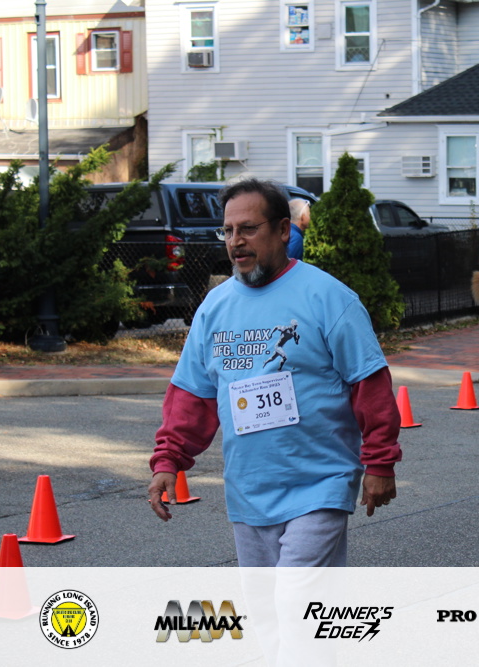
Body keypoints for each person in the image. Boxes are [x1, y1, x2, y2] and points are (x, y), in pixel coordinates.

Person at [148, 178, 402, 567]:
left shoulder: (329, 298)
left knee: (294, 595)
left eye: (248, 228)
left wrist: (380, 462)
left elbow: (369, 386)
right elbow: (192, 396)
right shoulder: (214, 308)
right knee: (268, 605)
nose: (236, 241)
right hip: (248, 493)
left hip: (320, 486)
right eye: (228, 231)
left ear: (284, 230)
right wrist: (168, 460)